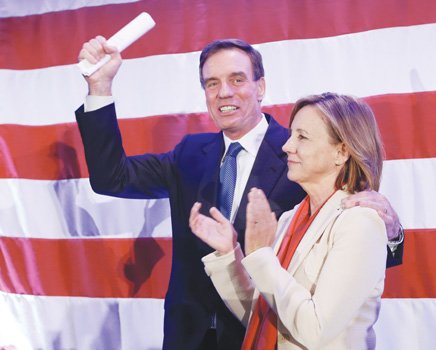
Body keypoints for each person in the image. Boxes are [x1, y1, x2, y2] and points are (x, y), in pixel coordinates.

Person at [75, 38, 403, 349]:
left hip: (269, 334)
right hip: (191, 335)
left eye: (236, 79)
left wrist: (392, 232)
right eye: (212, 83)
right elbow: (112, 178)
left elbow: (354, 255)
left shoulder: (303, 156)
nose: (223, 92)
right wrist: (100, 87)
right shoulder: (189, 153)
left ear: (260, 87)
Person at [190, 92, 387, 349]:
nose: (286, 146)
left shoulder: (359, 223)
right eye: (292, 134)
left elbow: (315, 330)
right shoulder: (289, 219)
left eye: (302, 137)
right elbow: (265, 316)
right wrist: (229, 255)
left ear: (341, 152)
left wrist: (261, 255)